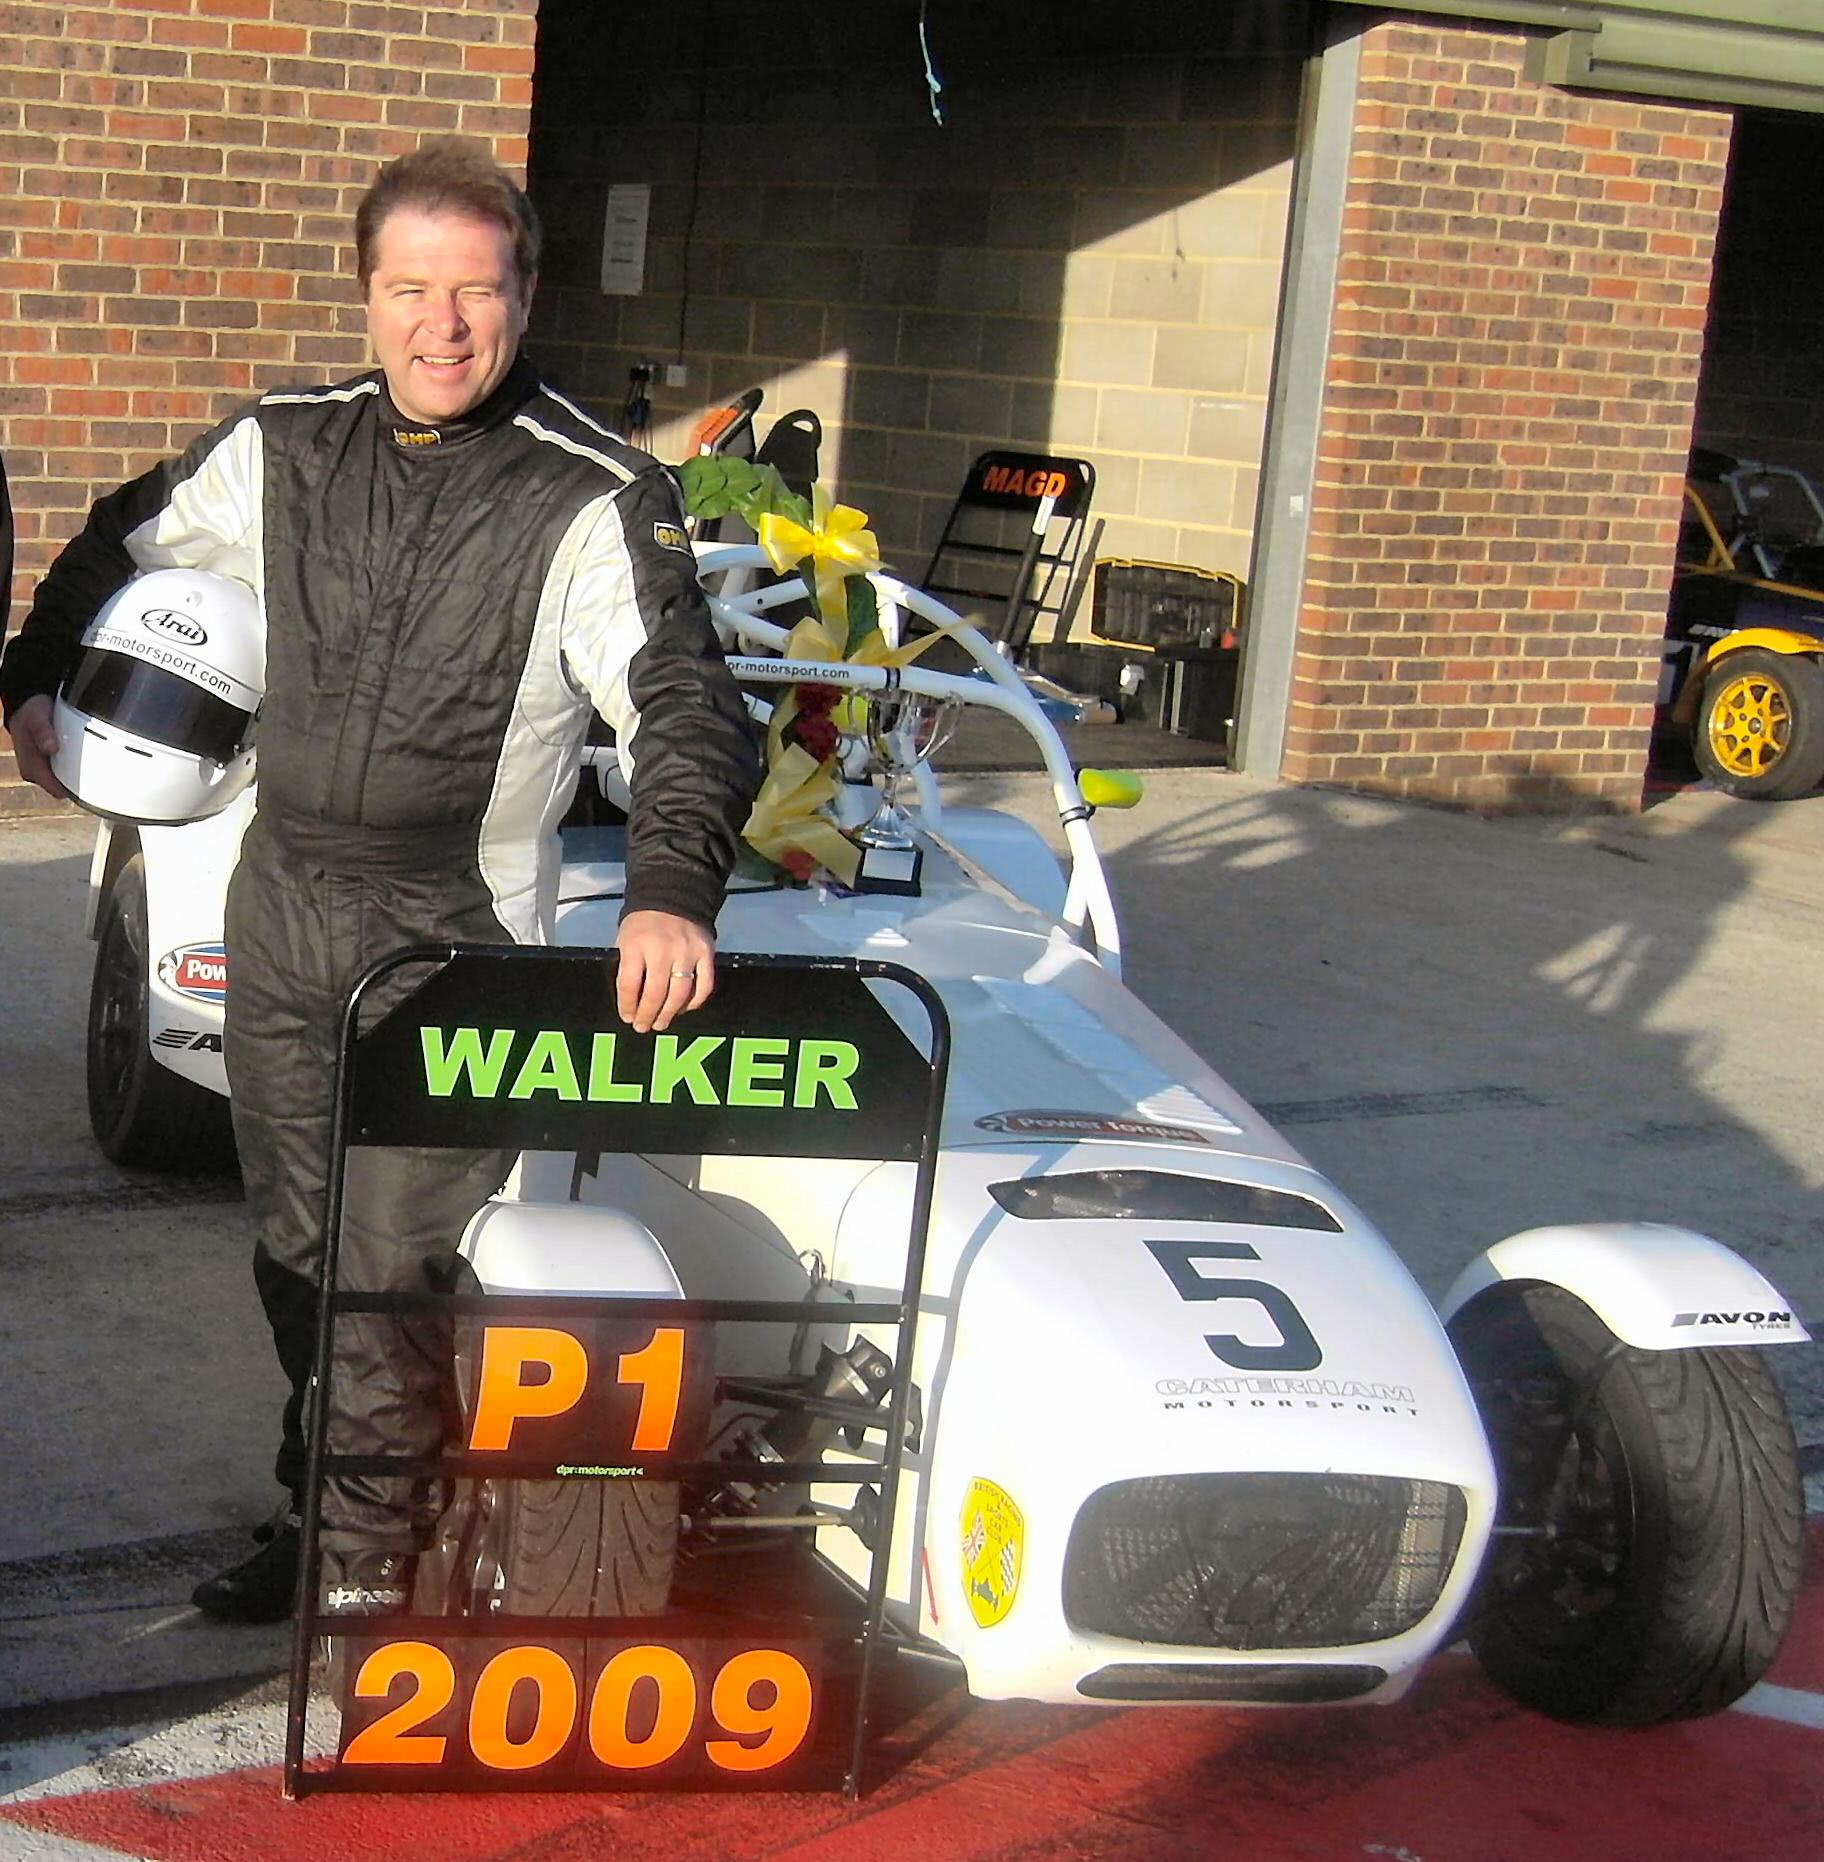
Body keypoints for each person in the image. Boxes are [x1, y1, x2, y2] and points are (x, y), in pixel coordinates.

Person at [0, 138, 761, 1622]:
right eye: (411, 288)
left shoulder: (597, 493)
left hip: (456, 938)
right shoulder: (285, 443)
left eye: (475, 290)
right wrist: (32, 679)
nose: (442, 324)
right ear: (367, 295)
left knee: (392, 1261)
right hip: (284, 907)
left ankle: (362, 1577)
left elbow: (684, 702)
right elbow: (119, 540)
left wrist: (671, 886)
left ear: (525, 297)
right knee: (298, 1250)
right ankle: (335, 1505)